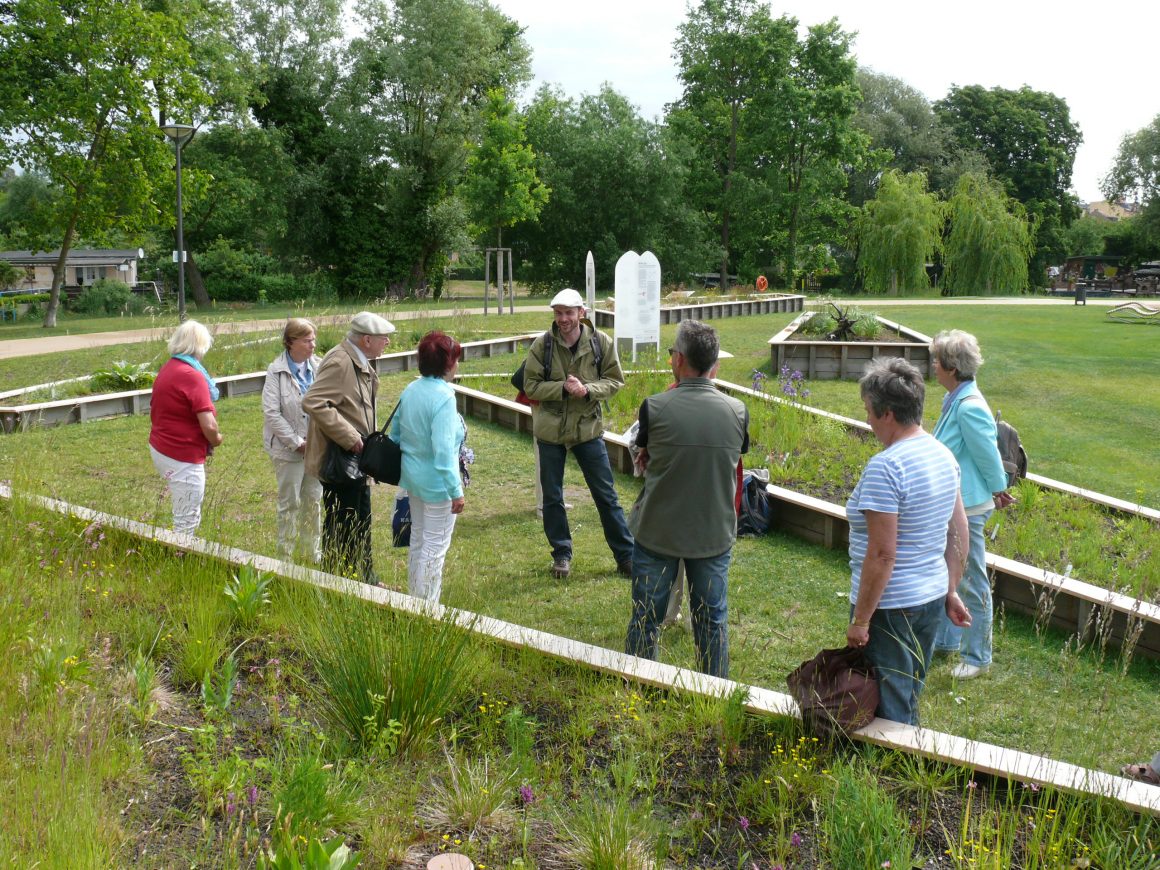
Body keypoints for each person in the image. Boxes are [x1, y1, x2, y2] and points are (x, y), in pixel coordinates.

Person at [845, 357, 970, 726]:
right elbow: (959, 534)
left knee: (889, 706)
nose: (867, 419)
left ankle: (893, 775)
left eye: (868, 410)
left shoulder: (887, 467)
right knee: (909, 688)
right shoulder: (942, 454)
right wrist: (949, 589)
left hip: (892, 606)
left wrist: (861, 620)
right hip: (929, 598)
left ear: (887, 413)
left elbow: (883, 555)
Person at [624, 321, 748, 678]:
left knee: (646, 615)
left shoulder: (655, 407)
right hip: (713, 532)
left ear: (678, 360)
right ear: (715, 365)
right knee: (712, 620)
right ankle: (714, 689)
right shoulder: (737, 410)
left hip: (657, 531)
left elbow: (643, 448)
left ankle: (638, 683)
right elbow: (735, 454)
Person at [522, 287, 633, 578]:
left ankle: (626, 557)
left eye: (569, 313)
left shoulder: (601, 342)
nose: (563, 319)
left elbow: (615, 380)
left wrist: (587, 390)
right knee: (553, 497)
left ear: (581, 314)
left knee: (606, 495)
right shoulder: (542, 345)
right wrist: (561, 387)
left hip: (587, 428)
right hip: (551, 430)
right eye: (558, 313)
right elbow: (529, 385)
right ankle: (561, 554)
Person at [929, 330, 1014, 680]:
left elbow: (987, 453)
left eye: (936, 361)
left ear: (951, 367)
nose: (933, 367)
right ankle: (949, 641)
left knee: (971, 579)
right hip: (955, 505)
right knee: (952, 574)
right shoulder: (956, 399)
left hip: (970, 508)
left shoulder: (969, 406)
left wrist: (999, 489)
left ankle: (978, 656)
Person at [302, 311, 395, 584]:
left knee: (360, 523)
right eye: (383, 338)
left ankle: (365, 579)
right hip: (341, 462)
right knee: (342, 526)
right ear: (366, 340)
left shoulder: (356, 359)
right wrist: (350, 436)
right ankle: (337, 582)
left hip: (356, 462)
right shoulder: (341, 361)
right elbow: (313, 402)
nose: (387, 342)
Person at [391, 331, 467, 602]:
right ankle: (427, 610)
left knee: (419, 542)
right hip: (437, 486)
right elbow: (444, 451)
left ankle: (414, 600)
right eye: (456, 359)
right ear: (448, 364)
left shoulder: (411, 389)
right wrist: (455, 490)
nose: (457, 365)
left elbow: (396, 434)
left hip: (412, 480)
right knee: (434, 549)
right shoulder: (445, 397)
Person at [148, 320, 223, 535]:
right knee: (187, 518)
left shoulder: (170, 368)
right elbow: (208, 423)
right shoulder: (192, 375)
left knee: (184, 509)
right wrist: (216, 438)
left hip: (163, 446)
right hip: (181, 452)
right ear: (201, 345)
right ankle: (181, 559)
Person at [262, 318, 323, 562]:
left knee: (314, 502)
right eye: (308, 340)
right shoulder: (275, 371)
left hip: (317, 449)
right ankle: (284, 557)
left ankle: (312, 554)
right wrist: (297, 442)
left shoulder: (319, 367)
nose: (313, 345)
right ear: (291, 342)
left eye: (314, 340)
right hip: (289, 452)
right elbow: (271, 414)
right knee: (290, 504)